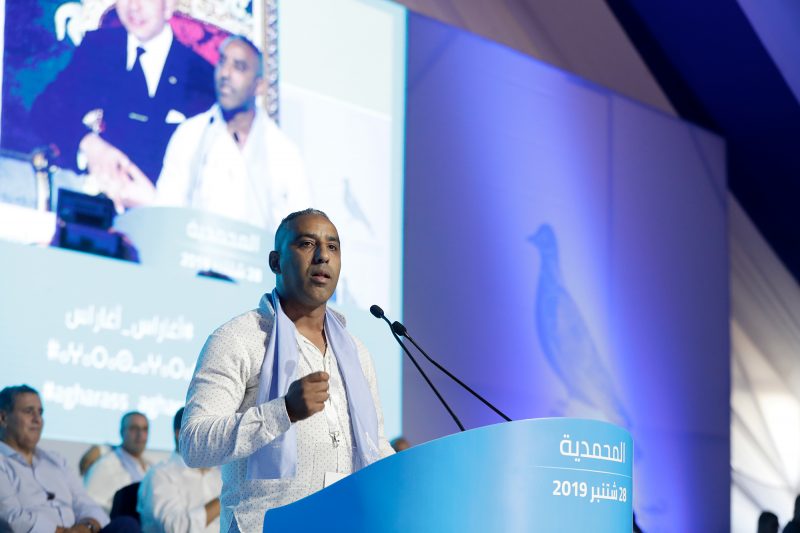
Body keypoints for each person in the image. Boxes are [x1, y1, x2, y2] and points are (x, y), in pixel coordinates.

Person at [180, 209, 394, 532]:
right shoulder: (239, 338)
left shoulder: (356, 352)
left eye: (333, 247)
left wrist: (411, 477)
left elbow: (375, 446)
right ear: (275, 262)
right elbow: (194, 444)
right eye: (307, 244)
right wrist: (283, 411)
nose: (323, 256)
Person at [29, 0, 215, 207]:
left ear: (168, 5)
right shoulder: (99, 48)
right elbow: (45, 109)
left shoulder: (201, 75)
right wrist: (89, 144)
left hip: (161, 206)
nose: (134, 6)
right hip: (95, 198)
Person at [154, 36, 310, 232]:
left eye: (239, 67)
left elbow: (304, 234)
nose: (225, 73)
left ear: (259, 85)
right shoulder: (190, 135)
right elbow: (165, 212)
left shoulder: (284, 152)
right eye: (222, 62)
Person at [0, 384, 135, 532]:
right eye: (28, 411)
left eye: (40, 412)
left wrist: (86, 527)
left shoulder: (57, 461)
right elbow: (10, 517)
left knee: (126, 524)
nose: (37, 419)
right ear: (3, 418)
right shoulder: (3, 462)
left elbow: (88, 505)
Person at [137, 407, 221, 533]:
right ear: (180, 434)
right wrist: (225, 499)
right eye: (204, 431)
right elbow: (175, 528)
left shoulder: (218, 475)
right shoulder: (160, 474)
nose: (211, 438)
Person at [85, 411, 152, 513]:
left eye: (144, 429)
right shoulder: (105, 465)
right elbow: (89, 504)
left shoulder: (150, 466)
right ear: (121, 432)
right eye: (134, 428)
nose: (140, 434)